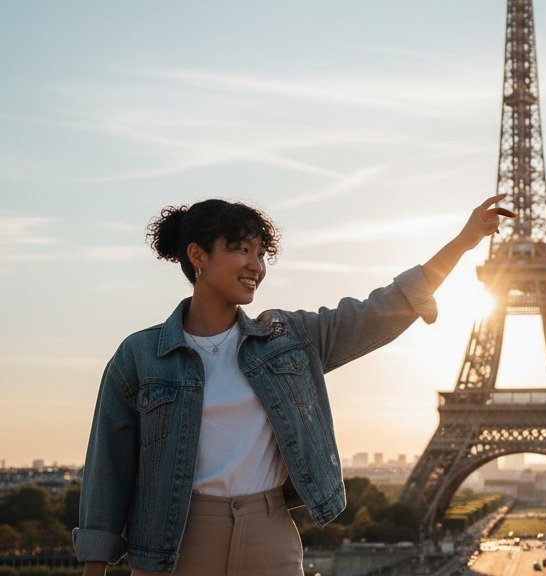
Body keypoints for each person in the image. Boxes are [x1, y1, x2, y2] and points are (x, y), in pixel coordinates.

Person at [74, 195, 515, 576]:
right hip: (175, 536)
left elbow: (378, 310)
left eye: (261, 253)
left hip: (268, 531)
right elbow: (108, 468)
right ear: (198, 256)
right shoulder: (139, 356)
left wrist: (463, 243)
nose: (255, 264)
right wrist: (96, 567)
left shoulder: (292, 339)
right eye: (240, 249)